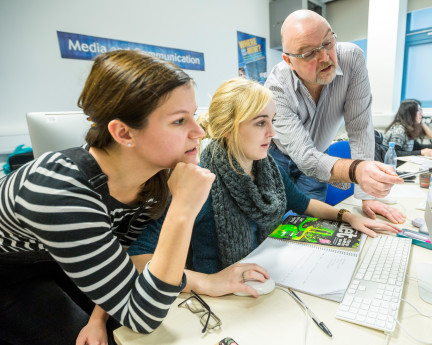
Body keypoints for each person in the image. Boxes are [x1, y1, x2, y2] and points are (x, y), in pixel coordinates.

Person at [0, 50, 266, 345]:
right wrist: (183, 209)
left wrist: (98, 316)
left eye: (193, 115)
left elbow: (125, 262)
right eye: (179, 121)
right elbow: (143, 316)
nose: (199, 131)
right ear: (124, 133)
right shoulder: (57, 194)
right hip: (13, 273)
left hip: (69, 255)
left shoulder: (152, 174)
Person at [128, 78, 402, 275]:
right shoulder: (200, 183)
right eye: (261, 123)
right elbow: (140, 258)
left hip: (263, 276)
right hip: (221, 298)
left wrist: (349, 217)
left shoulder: (267, 167)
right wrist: (208, 284)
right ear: (228, 129)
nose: (272, 132)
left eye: (272, 120)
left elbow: (303, 203)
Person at [264, 9, 405, 224]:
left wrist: (366, 196)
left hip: (320, 155)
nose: (325, 57)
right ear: (289, 61)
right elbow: (304, 157)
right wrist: (357, 171)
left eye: (328, 43)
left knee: (309, 225)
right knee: (274, 226)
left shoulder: (352, 58)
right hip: (279, 157)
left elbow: (360, 128)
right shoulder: (276, 88)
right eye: (309, 53)